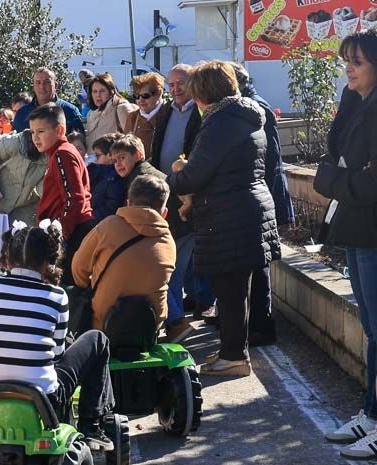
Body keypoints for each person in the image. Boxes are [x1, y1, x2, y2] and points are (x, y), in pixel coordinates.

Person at [168, 60, 278, 379]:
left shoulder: (221, 123)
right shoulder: (242, 116)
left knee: (230, 292)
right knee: (235, 291)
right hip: (245, 210)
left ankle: (233, 357)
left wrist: (174, 177)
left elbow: (196, 174)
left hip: (229, 216)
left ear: (204, 94)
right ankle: (234, 351)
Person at [0, 222, 115, 449]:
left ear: (8, 258)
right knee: (97, 340)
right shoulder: (56, 295)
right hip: (44, 396)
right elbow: (58, 354)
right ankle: (91, 425)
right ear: (47, 262)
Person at [314, 29, 377, 456]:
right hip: (354, 229)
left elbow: (371, 185)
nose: (348, 68)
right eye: (346, 60)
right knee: (372, 331)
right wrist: (345, 177)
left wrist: (338, 179)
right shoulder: (356, 102)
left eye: (357, 60)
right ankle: (371, 415)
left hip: (371, 228)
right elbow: (332, 157)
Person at [232, 61, 291, 347]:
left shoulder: (257, 109)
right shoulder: (248, 106)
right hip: (259, 194)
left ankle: (262, 325)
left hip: (262, 195)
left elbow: (269, 161)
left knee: (259, 263)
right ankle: (253, 323)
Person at [71, 173, 176, 333]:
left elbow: (78, 267)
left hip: (103, 323)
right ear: (164, 213)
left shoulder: (108, 226)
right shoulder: (169, 242)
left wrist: (90, 287)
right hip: (148, 327)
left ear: (128, 203)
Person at [150, 64, 205, 329]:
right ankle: (185, 304)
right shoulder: (165, 112)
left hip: (192, 190)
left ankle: (196, 303)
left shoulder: (201, 110)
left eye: (180, 83)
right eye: (171, 85)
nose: (176, 89)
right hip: (166, 190)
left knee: (188, 252)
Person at [29, 103, 94, 283]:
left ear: (59, 130)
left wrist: (60, 235)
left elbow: (75, 198)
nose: (35, 138)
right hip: (72, 230)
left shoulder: (62, 154)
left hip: (73, 232)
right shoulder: (58, 153)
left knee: (66, 289)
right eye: (33, 132)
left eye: (41, 131)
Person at [0, 129, 47, 229]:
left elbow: (43, 186)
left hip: (25, 206)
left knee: (24, 239)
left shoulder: (48, 154)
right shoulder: (12, 143)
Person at [13, 68, 85, 135]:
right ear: (33, 87)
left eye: (47, 82)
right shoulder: (22, 114)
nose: (42, 87)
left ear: (56, 86)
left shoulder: (70, 111)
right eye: (38, 82)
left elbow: (79, 142)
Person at [124, 72, 166, 159]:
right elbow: (125, 149)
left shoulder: (169, 113)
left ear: (158, 94)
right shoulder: (132, 117)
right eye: (136, 96)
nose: (140, 100)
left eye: (145, 96)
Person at [84, 73, 135, 143]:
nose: (98, 95)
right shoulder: (91, 113)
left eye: (102, 91)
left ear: (111, 91)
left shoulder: (121, 108)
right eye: (94, 91)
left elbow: (132, 140)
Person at [89, 132, 127, 221]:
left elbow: (111, 207)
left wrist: (89, 217)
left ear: (110, 155)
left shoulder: (115, 178)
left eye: (98, 156)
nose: (95, 160)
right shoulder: (98, 172)